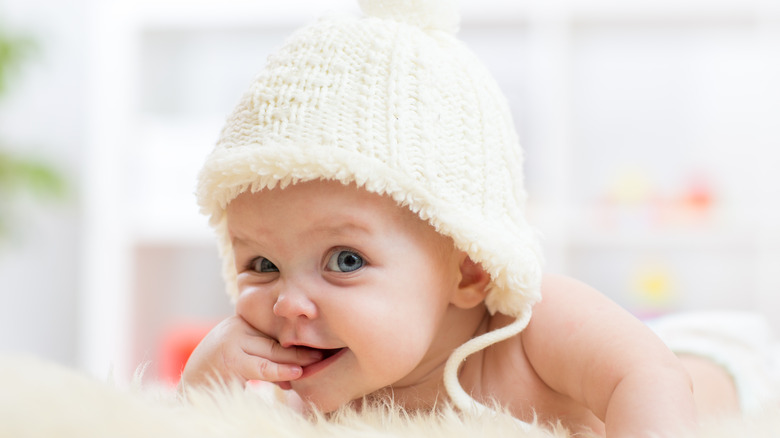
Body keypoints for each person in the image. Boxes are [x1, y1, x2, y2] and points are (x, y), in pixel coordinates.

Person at [180, 1, 776, 436]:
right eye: (262, 264)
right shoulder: (323, 388)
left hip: (718, 357)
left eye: (345, 260)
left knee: (685, 359)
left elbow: (648, 375)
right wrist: (205, 389)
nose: (288, 306)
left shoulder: (532, 327)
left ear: (468, 270)